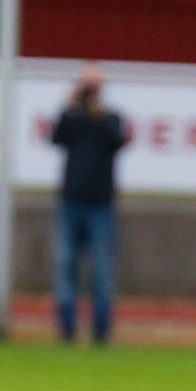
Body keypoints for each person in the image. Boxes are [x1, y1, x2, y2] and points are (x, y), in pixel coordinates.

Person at [49, 63, 128, 345]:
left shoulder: (112, 118)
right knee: (65, 265)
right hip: (71, 202)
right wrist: (71, 105)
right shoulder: (72, 118)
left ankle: (101, 331)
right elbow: (56, 137)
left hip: (100, 205)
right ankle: (67, 329)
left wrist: (97, 112)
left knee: (102, 269)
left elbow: (119, 140)